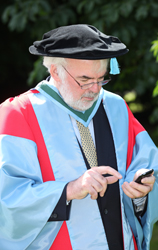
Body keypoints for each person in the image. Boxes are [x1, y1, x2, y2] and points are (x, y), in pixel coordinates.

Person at [0, 24, 157, 250]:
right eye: (84, 79)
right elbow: (7, 199)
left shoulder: (115, 106)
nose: (94, 89)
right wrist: (70, 189)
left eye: (101, 78)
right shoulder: (18, 114)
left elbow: (143, 164)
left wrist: (140, 187)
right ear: (55, 71)